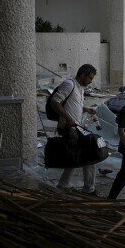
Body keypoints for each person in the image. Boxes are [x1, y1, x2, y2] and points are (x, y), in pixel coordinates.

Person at [51, 64, 98, 193]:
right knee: (89, 154)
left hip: (77, 127)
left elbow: (73, 106)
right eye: (89, 78)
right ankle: (89, 188)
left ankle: (64, 184)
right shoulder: (69, 85)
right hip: (69, 128)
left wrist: (86, 109)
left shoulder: (80, 88)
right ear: (82, 75)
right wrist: (67, 118)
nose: (90, 81)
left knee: (75, 156)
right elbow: (55, 102)